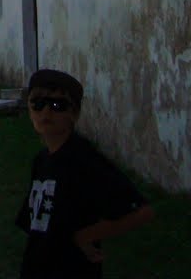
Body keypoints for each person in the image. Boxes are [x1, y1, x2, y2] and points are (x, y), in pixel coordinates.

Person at [17, 68, 154, 278]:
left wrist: (85, 236)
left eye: (58, 105)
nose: (46, 113)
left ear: (74, 114)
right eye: (38, 103)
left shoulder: (83, 159)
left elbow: (140, 211)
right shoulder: (42, 160)